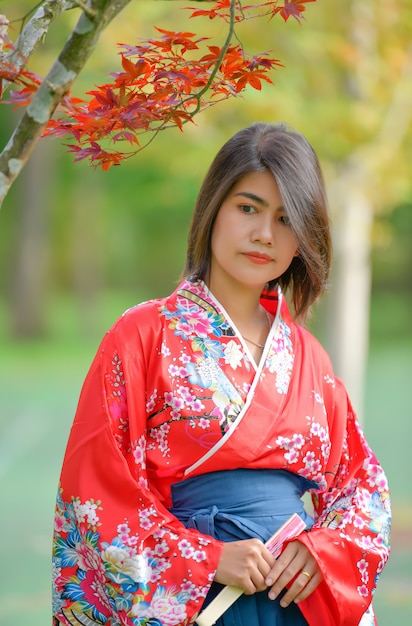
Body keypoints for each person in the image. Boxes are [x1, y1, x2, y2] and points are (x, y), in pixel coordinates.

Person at [52, 122, 391, 626]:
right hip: (196, 600)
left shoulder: (309, 358)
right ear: (213, 209)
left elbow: (362, 488)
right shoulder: (143, 334)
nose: (263, 235)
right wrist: (206, 559)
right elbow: (96, 492)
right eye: (248, 208)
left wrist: (322, 547)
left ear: (304, 238)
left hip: (293, 602)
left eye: (285, 218)